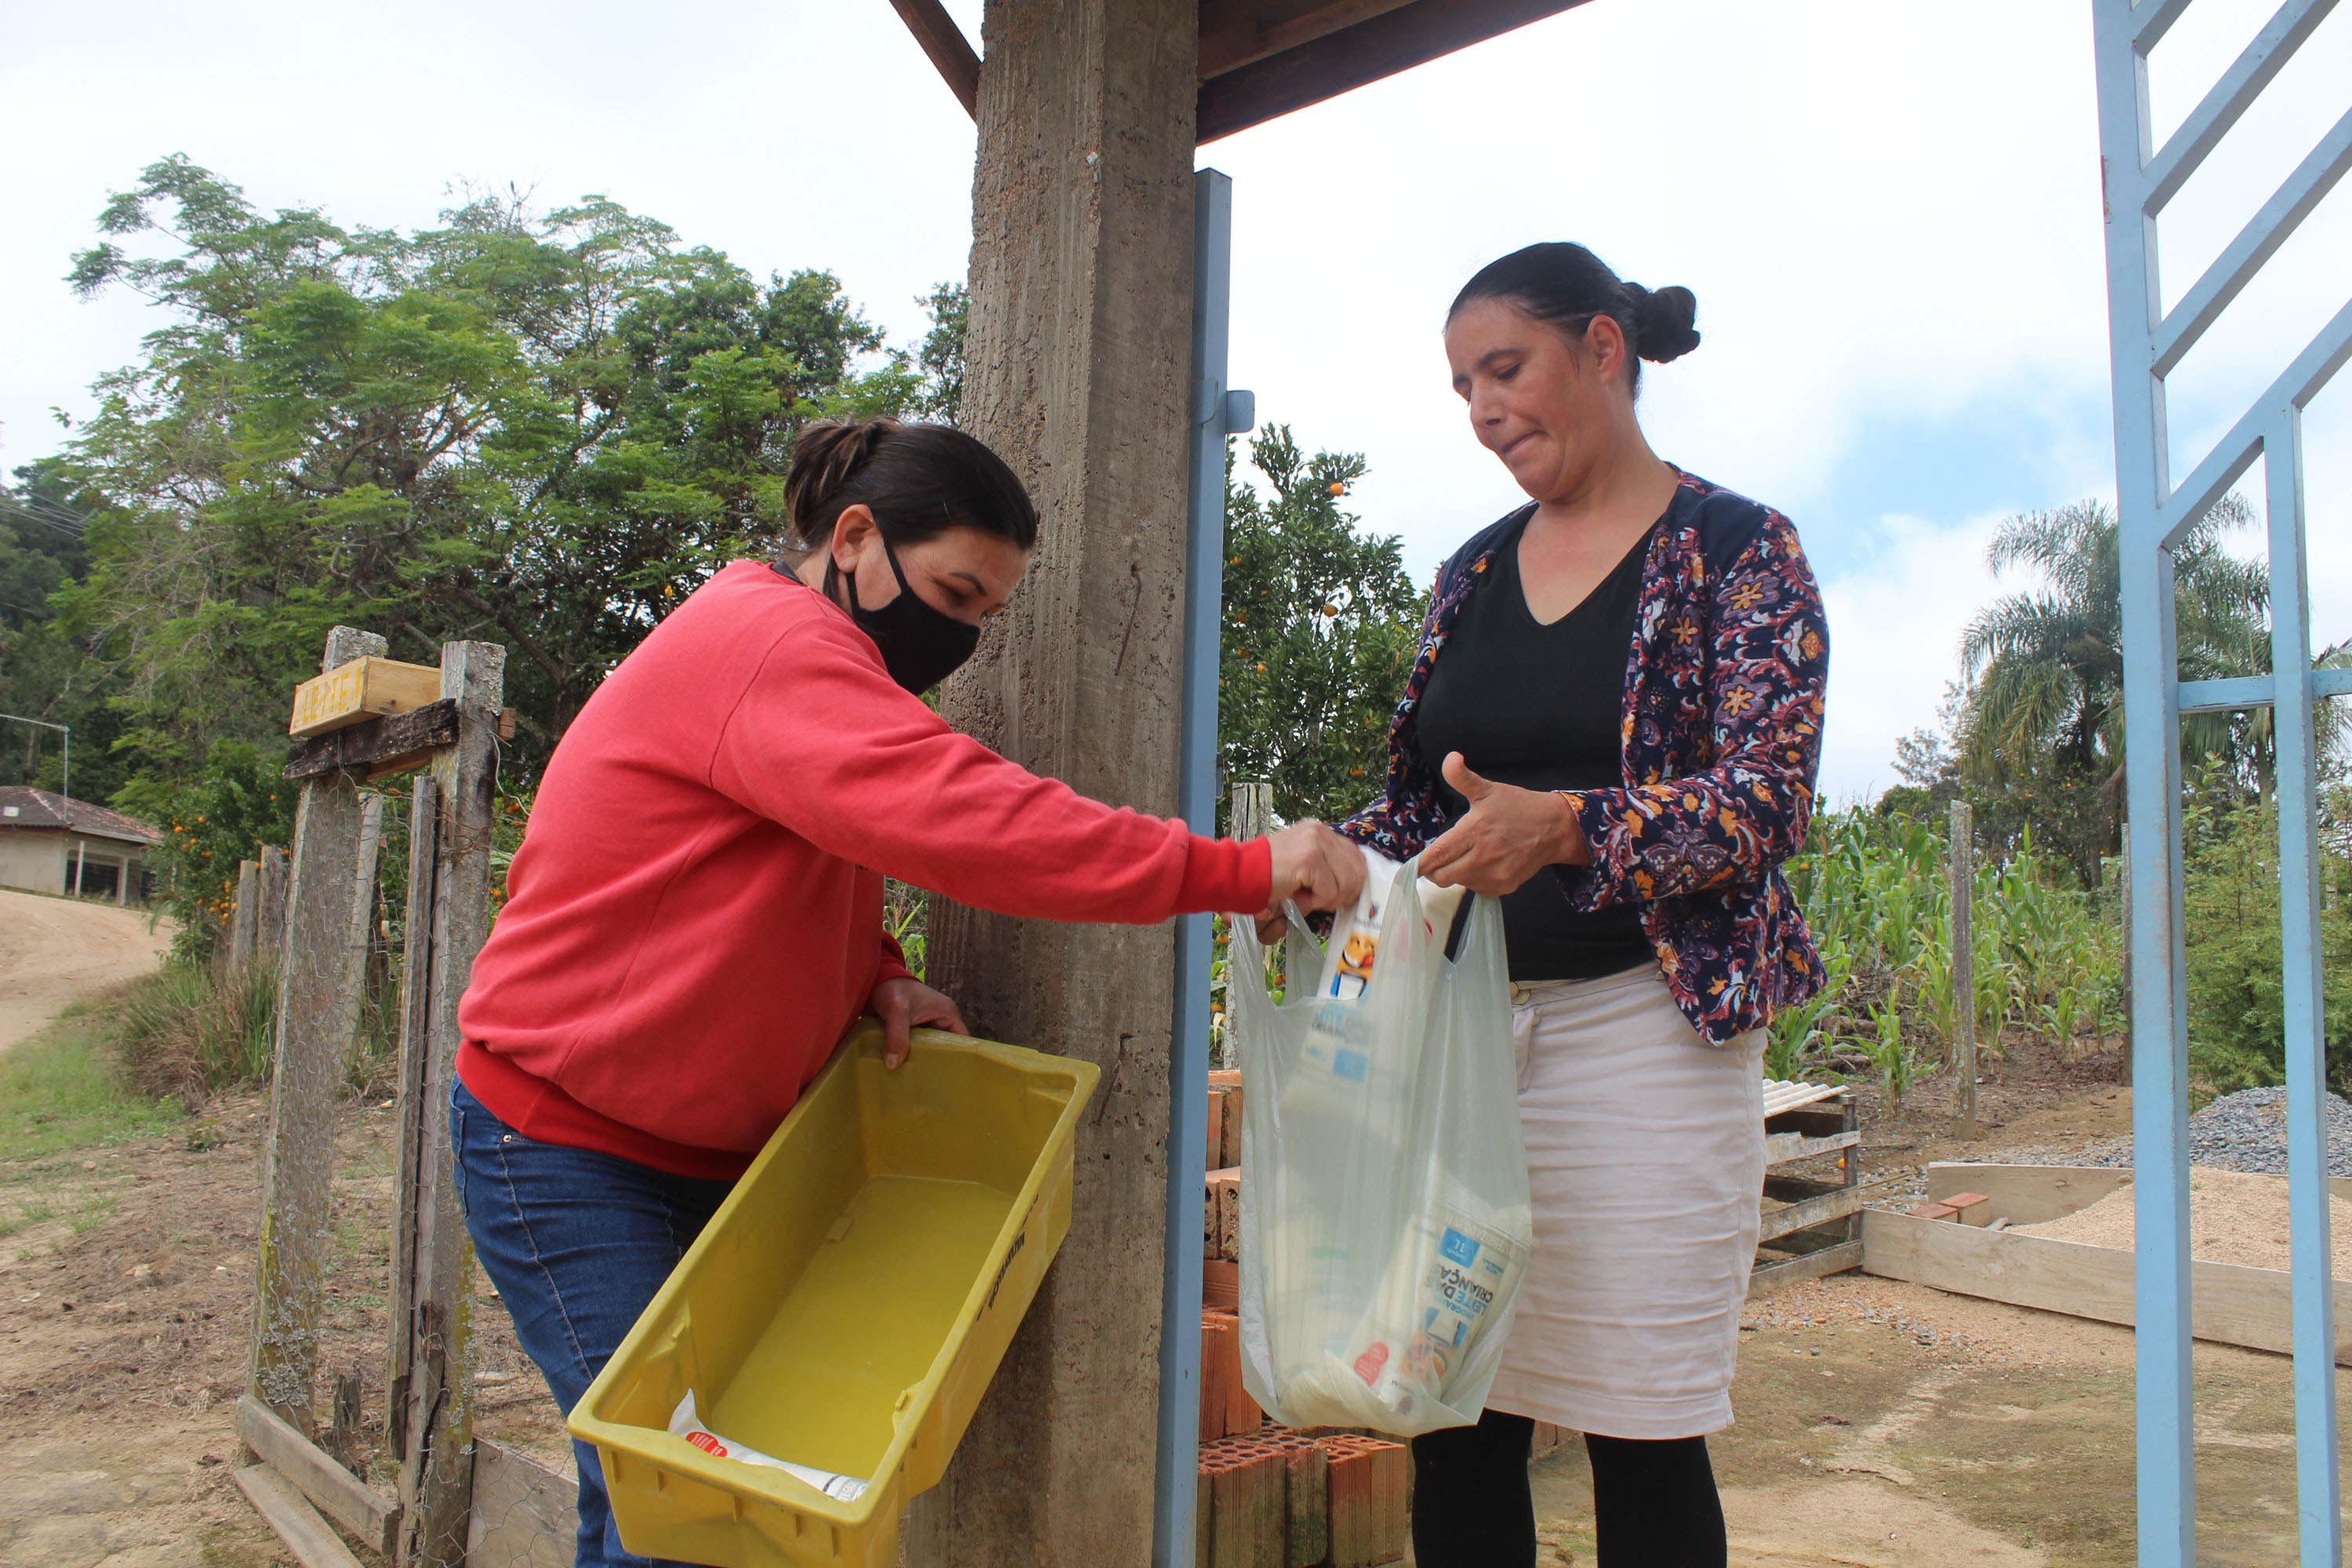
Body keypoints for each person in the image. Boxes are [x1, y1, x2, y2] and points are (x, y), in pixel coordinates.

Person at [452, 416, 1366, 1568]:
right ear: (853, 539)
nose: (963, 634)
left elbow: (802, 857)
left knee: (666, 1506)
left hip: (720, 1158)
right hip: (566, 1142)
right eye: (954, 593)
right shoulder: (770, 646)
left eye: (987, 612)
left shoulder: (804, 657)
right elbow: (970, 822)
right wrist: (1238, 868)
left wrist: (877, 975)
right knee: (692, 1511)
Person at [1341, 245, 1829, 1566]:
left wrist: (1568, 828)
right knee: (1454, 1413)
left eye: (1505, 369)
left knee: (1643, 1422)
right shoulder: (1472, 573)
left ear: (1603, 349)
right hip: (1458, 1040)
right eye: (1463, 387)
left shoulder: (1737, 550)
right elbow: (1420, 809)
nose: (1484, 409)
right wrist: (1323, 860)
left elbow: (1767, 799)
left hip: (1644, 1038)